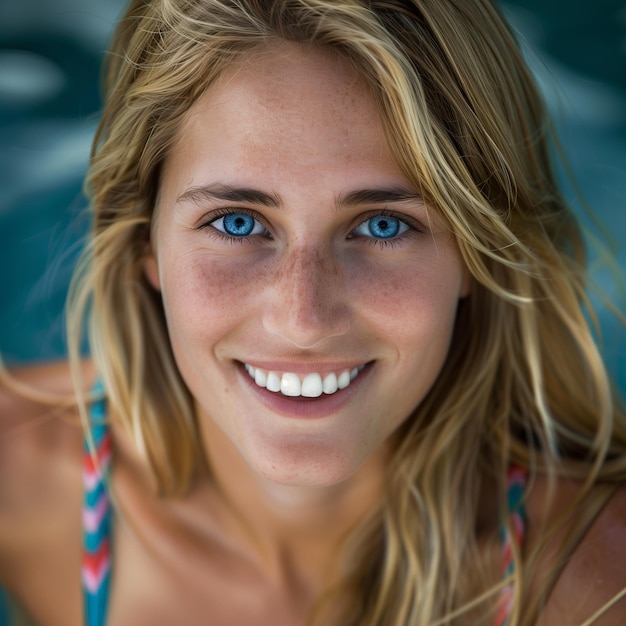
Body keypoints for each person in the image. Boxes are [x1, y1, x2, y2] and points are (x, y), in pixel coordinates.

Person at [1, 0, 625, 624]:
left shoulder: (594, 577)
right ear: (146, 243)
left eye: (383, 226)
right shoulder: (19, 477)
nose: (304, 320)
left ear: (475, 256)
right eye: (237, 223)